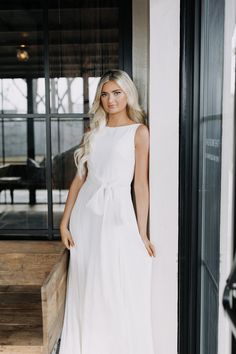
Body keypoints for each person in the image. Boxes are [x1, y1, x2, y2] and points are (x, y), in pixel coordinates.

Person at [58, 69, 156, 354]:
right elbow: (79, 179)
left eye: (117, 93)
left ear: (128, 96)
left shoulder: (139, 132)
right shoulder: (92, 133)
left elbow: (140, 184)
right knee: (87, 281)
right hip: (86, 217)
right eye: (104, 94)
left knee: (114, 282)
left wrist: (142, 232)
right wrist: (65, 223)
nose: (110, 100)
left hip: (117, 215)